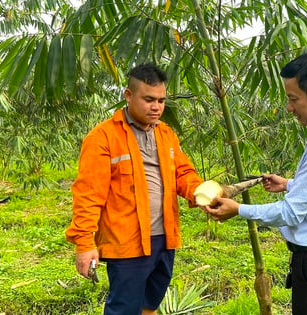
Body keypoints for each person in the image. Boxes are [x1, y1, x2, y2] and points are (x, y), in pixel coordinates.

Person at [205, 52, 307, 315]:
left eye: (293, 99)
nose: (289, 108)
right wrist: (289, 184)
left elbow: (290, 213)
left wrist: (238, 210)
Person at [65, 63, 204, 315]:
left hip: (164, 239)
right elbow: (88, 194)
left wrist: (200, 192)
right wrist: (84, 244)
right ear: (128, 96)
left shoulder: (165, 134)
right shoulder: (103, 138)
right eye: (149, 99)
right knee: (124, 308)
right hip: (127, 243)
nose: (156, 107)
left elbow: (183, 173)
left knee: (150, 302)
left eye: (161, 100)